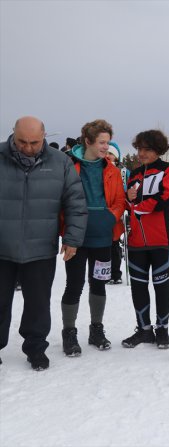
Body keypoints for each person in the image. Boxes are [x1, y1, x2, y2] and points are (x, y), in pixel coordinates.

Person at [0, 116, 87, 370]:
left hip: (40, 248)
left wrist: (72, 238)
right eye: (22, 142)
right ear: (13, 135)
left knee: (38, 302)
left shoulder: (60, 162)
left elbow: (76, 203)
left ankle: (36, 347)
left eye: (34, 142)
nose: (28, 148)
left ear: (44, 136)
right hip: (2, 247)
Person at [60, 119, 125, 356]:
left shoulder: (112, 170)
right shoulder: (68, 166)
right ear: (87, 141)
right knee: (74, 284)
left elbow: (119, 201)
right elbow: (60, 200)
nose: (106, 147)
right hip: (76, 237)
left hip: (103, 238)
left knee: (99, 283)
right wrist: (66, 232)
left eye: (107, 142)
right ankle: (69, 332)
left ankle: (96, 329)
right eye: (101, 142)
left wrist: (110, 218)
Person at [122, 129, 169, 349]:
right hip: (136, 241)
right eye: (139, 149)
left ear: (158, 150)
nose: (142, 153)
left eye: (147, 149)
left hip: (162, 239)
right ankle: (144, 330)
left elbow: (164, 199)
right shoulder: (134, 174)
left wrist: (136, 207)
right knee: (138, 287)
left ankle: (162, 329)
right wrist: (129, 199)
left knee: (161, 286)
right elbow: (127, 204)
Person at [106, 141, 125, 285]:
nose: (108, 156)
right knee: (102, 248)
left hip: (115, 215)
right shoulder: (100, 169)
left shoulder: (120, 172)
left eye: (111, 154)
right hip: (103, 214)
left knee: (114, 246)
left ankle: (116, 273)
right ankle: (104, 273)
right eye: (106, 153)